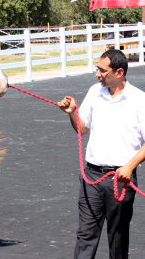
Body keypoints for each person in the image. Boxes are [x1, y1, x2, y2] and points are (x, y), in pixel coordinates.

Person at [58, 49, 145, 259]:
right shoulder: (94, 92)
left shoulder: (139, 100)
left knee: (117, 238)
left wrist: (129, 167)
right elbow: (83, 128)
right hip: (92, 177)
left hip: (120, 178)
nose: (97, 74)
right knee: (86, 235)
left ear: (119, 72)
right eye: (97, 68)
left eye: (102, 70)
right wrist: (72, 114)